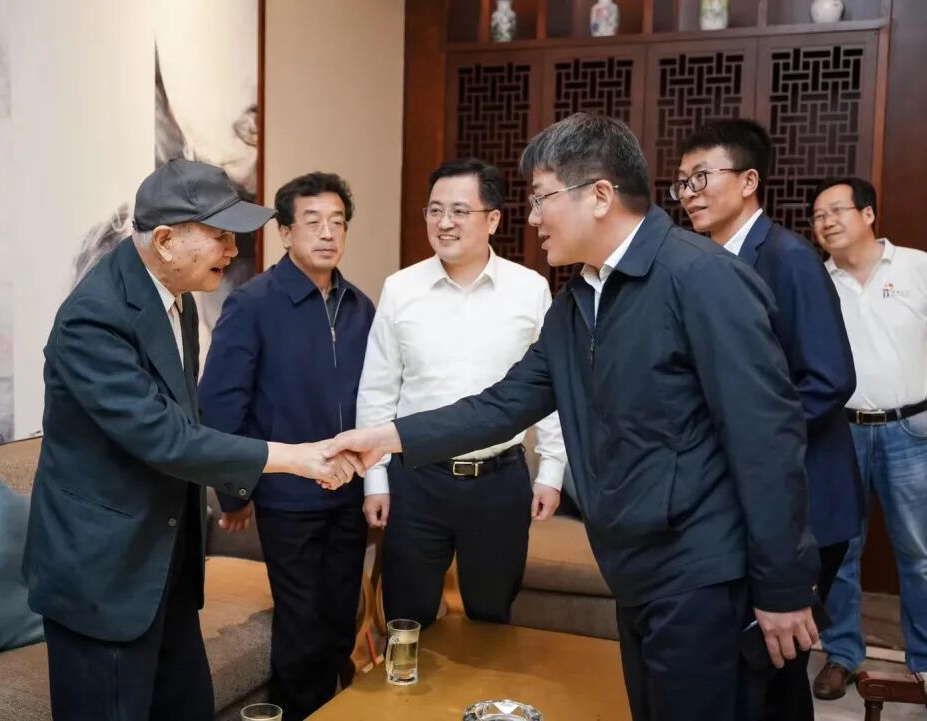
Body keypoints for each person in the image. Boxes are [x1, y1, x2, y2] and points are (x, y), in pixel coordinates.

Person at [330, 114, 820, 721]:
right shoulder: (578, 301)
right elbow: (503, 405)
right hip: (637, 568)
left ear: (600, 195)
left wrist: (783, 586)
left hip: (706, 570)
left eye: (541, 198)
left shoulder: (702, 279)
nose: (533, 218)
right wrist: (388, 438)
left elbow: (766, 440)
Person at [22, 160, 359, 721]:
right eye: (221, 235)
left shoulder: (175, 298)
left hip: (165, 564)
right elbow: (168, 438)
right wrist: (296, 458)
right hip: (104, 575)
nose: (233, 250)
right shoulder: (92, 320)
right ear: (165, 240)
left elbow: (189, 416)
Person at [676, 119, 862, 720]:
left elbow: (829, 378)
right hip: (753, 495)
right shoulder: (707, 261)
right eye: (682, 182)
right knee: (760, 665)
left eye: (702, 177)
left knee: (777, 663)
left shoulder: (788, 257)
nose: (689, 194)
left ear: (749, 181)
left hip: (807, 498)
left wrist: (745, 436)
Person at [356, 157, 567, 631]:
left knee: (491, 617)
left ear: (493, 219)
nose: (444, 222)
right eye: (434, 210)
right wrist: (376, 478)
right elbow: (378, 390)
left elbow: (551, 388)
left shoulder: (529, 289)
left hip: (499, 482)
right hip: (417, 480)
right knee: (406, 618)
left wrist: (552, 470)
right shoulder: (401, 288)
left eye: (458, 211)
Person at [198, 171, 375, 720]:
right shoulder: (253, 304)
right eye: (313, 221)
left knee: (341, 622)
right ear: (284, 232)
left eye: (337, 222)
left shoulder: (360, 306)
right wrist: (236, 494)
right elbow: (221, 405)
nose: (327, 233)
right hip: (288, 497)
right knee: (302, 628)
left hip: (350, 493)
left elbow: (377, 400)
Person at [809, 176, 927, 700]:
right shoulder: (817, 281)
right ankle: (842, 655)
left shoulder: (917, 268)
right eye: (818, 216)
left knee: (919, 554)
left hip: (911, 430)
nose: (826, 222)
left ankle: (924, 659)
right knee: (839, 549)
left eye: (836, 210)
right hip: (840, 432)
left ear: (869, 214)